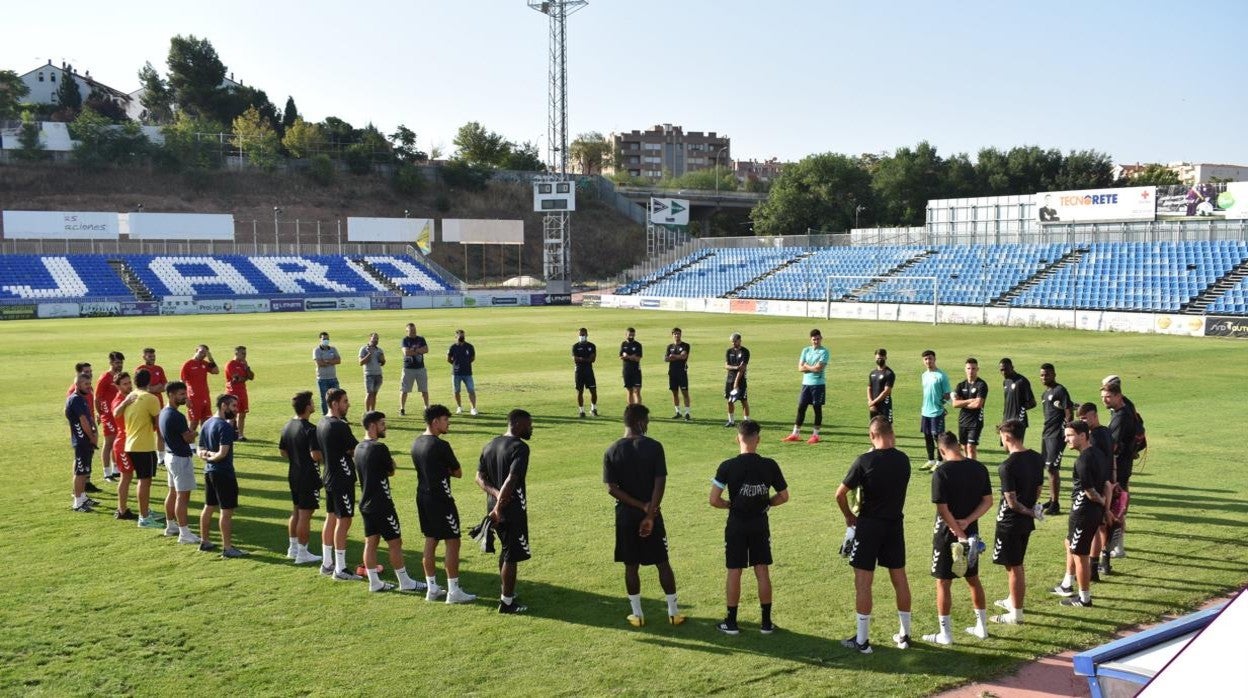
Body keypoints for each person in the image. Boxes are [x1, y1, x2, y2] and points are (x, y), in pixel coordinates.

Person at [603, 404, 687, 628]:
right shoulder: (654, 447)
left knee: (631, 566)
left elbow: (611, 488)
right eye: (647, 422)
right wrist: (649, 513)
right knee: (662, 562)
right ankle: (673, 612)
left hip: (625, 516)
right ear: (640, 422)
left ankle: (637, 615)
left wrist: (639, 506)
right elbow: (660, 482)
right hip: (653, 514)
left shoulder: (612, 450)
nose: (647, 425)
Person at [836, 417, 913, 654]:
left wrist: (849, 516)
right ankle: (905, 634)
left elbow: (839, 494)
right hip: (894, 525)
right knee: (899, 579)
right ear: (892, 433)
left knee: (863, 583)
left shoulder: (864, 461)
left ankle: (862, 641)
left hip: (869, 526)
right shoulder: (904, 460)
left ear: (871, 435)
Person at [709, 420, 789, 635]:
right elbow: (784, 496)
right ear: (758, 439)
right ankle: (766, 623)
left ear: (738, 438)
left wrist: (730, 504)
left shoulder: (727, 466)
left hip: (736, 524)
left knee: (734, 571)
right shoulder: (769, 465)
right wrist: (767, 503)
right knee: (762, 570)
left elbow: (714, 499)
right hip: (760, 523)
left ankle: (732, 622)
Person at [922, 432, 993, 645]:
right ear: (959, 446)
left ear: (942, 450)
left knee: (943, 582)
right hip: (971, 532)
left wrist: (958, 533)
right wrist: (967, 522)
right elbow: (988, 501)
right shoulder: (978, 468)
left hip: (946, 534)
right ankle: (982, 627)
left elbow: (943, 510)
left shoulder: (941, 472)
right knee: (973, 579)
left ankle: (946, 634)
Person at [355, 411, 424, 593]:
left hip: (365, 503)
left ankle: (374, 582)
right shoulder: (379, 448)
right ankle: (405, 582)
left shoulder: (358, 448)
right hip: (382, 503)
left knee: (371, 542)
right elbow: (391, 470)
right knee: (395, 542)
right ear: (372, 426)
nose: (385, 427)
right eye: (382, 424)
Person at [411, 404, 474, 602]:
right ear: (435, 421)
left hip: (423, 497)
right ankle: (454, 592)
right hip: (441, 499)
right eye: (446, 420)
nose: (448, 423)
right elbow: (458, 472)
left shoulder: (416, 443)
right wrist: (444, 470)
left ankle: (432, 589)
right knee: (453, 541)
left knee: (431, 539)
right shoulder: (440, 445)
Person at [476, 409, 534, 614]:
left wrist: (495, 496)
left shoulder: (490, 444)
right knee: (512, 554)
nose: (531, 428)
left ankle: (505, 592)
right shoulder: (520, 448)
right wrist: (501, 505)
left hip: (493, 505)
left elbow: (479, 478)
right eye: (529, 424)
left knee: (506, 549)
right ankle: (507, 603)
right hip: (510, 509)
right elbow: (511, 479)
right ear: (517, 424)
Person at [990, 419, 1044, 625]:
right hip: (1024, 522)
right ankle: (1013, 600)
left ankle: (1016, 614)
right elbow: (1038, 489)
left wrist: (1028, 511)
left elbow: (1011, 502)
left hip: (1010, 522)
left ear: (1007, 437)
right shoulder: (1037, 458)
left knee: (1014, 566)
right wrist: (1032, 509)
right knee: (1017, 563)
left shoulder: (1007, 466)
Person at [1052, 420, 1111, 608]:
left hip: (1083, 512)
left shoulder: (1082, 460)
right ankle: (1067, 583)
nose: (1066, 439)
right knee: (1069, 543)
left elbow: (1090, 491)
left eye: (1069, 435)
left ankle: (1084, 598)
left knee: (1080, 554)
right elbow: (1108, 485)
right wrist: (1106, 509)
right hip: (1092, 511)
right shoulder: (1099, 455)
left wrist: (1102, 503)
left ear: (1083, 436)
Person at [317, 388, 361, 580]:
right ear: (335, 404)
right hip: (342, 478)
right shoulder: (339, 426)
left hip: (329, 476)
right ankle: (341, 569)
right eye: (345, 401)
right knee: (344, 520)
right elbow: (356, 449)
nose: (348, 404)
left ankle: (327, 563)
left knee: (331, 518)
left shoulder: (321, 423)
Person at [197, 394, 248, 558]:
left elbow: (199, 450)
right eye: (233, 406)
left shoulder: (206, 423)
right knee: (226, 512)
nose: (236, 409)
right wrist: (212, 456)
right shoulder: (223, 426)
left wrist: (206, 456)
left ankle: (204, 541)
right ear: (224, 406)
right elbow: (222, 453)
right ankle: (227, 548)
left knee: (208, 506)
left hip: (209, 472)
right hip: (223, 473)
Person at [115, 368, 165, 529]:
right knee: (144, 481)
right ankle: (143, 517)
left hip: (131, 444)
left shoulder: (130, 397)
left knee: (142, 481)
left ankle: (145, 512)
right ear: (149, 382)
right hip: (144, 445)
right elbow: (159, 424)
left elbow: (118, 414)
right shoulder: (151, 398)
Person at [278, 390, 324, 565]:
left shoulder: (288, 425)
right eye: (312, 402)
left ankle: (293, 548)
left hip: (294, 473)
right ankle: (303, 553)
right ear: (307, 407)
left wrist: (296, 456)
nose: (314, 405)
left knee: (296, 510)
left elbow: (283, 451)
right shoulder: (310, 429)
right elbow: (316, 455)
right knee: (306, 514)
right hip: (308, 476)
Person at [1077, 402, 1117, 577]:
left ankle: (1093, 568)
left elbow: (1096, 462)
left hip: (1099, 484)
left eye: (1085, 418)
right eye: (1081, 419)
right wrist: (1114, 478)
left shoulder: (1093, 437)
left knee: (1097, 527)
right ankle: (1105, 563)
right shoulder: (1107, 432)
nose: (1083, 421)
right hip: (1108, 482)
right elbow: (1113, 456)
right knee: (1105, 526)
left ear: (1094, 415)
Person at [159, 381, 201, 545]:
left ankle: (171, 526)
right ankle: (184, 533)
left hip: (170, 456)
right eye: (181, 394)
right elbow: (188, 437)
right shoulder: (177, 416)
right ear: (171, 395)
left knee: (173, 493)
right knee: (183, 497)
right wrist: (195, 432)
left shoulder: (164, 412)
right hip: (180, 459)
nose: (185, 397)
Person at [1100, 378, 1138, 558]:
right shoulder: (1125, 408)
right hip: (1124, 464)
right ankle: (1117, 546)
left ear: (1118, 396)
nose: (1104, 400)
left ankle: (1117, 547)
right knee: (1119, 505)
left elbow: (1113, 445)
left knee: (1116, 507)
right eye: (1102, 397)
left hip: (1119, 466)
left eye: (1107, 397)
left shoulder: (1121, 417)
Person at [1039, 363, 1074, 516]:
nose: (1044, 377)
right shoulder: (1045, 394)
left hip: (1057, 436)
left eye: (1047, 374)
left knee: (1053, 468)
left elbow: (1069, 412)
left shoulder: (1061, 390)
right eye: (1042, 375)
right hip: (1046, 434)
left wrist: (1066, 431)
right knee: (1048, 467)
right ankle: (1052, 498)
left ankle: (1056, 504)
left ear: (1054, 374)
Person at [783, 329, 829, 445]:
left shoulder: (824, 352)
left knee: (817, 409)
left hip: (818, 385)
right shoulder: (806, 350)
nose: (816, 341)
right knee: (801, 408)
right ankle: (795, 434)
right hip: (806, 384)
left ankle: (815, 435)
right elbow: (799, 368)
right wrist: (812, 368)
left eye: (818, 339)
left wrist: (807, 366)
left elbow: (819, 368)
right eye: (814, 339)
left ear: (821, 338)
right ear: (811, 339)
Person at [66, 372, 98, 512]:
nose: (89, 386)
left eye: (90, 384)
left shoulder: (81, 398)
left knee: (84, 470)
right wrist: (92, 437)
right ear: (77, 385)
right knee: (80, 472)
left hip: (85, 441)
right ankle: (77, 503)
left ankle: (83, 497)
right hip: (82, 441)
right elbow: (83, 421)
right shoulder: (75, 400)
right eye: (86, 384)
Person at [918, 350, 953, 472]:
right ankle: (931, 460)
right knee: (927, 436)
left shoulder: (941, 376)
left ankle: (940, 461)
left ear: (935, 359)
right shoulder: (924, 375)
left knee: (938, 438)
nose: (928, 361)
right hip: (925, 411)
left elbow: (947, 395)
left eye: (930, 358)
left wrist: (942, 406)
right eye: (926, 359)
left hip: (937, 412)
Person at [109, 372, 137, 520]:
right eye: (125, 384)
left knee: (133, 476)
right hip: (122, 444)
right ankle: (121, 510)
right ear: (118, 386)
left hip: (133, 442)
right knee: (126, 477)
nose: (128, 385)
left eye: (129, 382)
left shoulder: (132, 395)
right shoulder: (119, 399)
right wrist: (126, 401)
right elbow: (115, 413)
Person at [95, 351, 125, 482]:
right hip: (108, 415)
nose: (119, 365)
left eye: (121, 363)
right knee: (109, 443)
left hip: (118, 413)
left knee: (117, 441)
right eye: (117, 363)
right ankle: (106, 472)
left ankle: (115, 469)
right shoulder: (105, 377)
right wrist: (100, 414)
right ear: (111, 363)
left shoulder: (120, 377)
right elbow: (97, 398)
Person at [952, 358, 988, 460]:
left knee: (971, 447)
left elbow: (978, 404)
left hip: (976, 421)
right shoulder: (961, 385)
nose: (971, 371)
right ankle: (968, 467)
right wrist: (969, 401)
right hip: (963, 421)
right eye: (968, 368)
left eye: (973, 368)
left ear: (977, 369)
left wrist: (962, 403)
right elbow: (954, 404)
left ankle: (973, 470)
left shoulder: (981, 385)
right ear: (965, 369)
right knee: (964, 448)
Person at [181, 345, 219, 430]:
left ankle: (204, 442)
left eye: (205, 353)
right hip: (193, 398)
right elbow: (182, 383)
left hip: (205, 397)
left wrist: (211, 359)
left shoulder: (204, 363)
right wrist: (185, 398)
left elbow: (216, 371)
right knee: (194, 422)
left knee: (206, 422)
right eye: (201, 352)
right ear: (196, 350)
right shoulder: (188, 364)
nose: (203, 355)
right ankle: (189, 443)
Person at [999, 358, 1036, 443]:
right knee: (1007, 447)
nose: (1004, 372)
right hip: (1006, 420)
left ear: (1012, 367)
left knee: (1016, 448)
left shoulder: (1022, 381)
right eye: (1001, 370)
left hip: (1018, 422)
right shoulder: (1006, 382)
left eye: (1006, 369)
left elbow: (1032, 403)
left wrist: (1020, 410)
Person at [399, 323, 430, 415]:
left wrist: (414, 351)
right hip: (408, 369)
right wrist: (419, 351)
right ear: (407, 331)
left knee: (424, 390)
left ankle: (427, 408)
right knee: (404, 390)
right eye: (411, 330)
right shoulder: (405, 340)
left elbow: (426, 350)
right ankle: (402, 409)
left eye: (414, 330)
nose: (413, 332)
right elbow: (406, 353)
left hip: (420, 368)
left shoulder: (421, 339)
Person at [447, 329, 477, 415]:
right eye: (460, 336)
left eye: (463, 336)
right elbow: (448, 359)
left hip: (468, 372)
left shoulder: (470, 347)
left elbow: (472, 358)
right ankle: (459, 407)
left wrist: (466, 363)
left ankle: (473, 408)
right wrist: (456, 364)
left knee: (471, 390)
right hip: (456, 373)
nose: (462, 337)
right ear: (456, 337)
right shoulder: (452, 347)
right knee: (456, 391)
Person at [724, 333, 751, 428]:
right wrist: (735, 367)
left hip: (741, 380)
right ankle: (731, 421)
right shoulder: (729, 351)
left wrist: (736, 382)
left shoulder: (745, 352)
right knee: (729, 401)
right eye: (732, 341)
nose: (733, 343)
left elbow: (742, 368)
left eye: (735, 341)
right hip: (729, 380)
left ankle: (747, 422)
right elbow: (726, 366)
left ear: (740, 340)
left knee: (744, 401)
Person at [665, 328, 691, 420]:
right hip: (672, 373)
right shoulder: (669, 347)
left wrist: (674, 356)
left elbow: (684, 356)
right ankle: (678, 412)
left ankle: (687, 413)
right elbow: (666, 359)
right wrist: (678, 357)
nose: (677, 335)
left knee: (685, 393)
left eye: (678, 334)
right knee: (674, 393)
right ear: (672, 335)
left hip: (682, 373)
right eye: (675, 334)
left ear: (681, 335)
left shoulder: (685, 345)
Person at [313, 331, 342, 415]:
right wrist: (332, 361)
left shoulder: (333, 349)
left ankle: (338, 415)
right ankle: (326, 416)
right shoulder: (317, 350)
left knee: (337, 397)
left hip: (333, 378)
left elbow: (339, 360)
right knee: (325, 399)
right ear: (320, 340)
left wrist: (326, 361)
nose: (326, 340)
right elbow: (319, 363)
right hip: (322, 379)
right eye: (324, 339)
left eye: (327, 339)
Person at [572, 328, 598, 418]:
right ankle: (581, 411)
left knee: (593, 391)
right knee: (579, 391)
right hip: (579, 371)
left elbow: (593, 359)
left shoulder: (592, 346)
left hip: (589, 371)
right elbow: (575, 359)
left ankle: (593, 409)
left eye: (583, 335)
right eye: (580, 335)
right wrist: (586, 359)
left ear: (587, 335)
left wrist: (581, 359)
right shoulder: (575, 346)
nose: (582, 336)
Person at [358, 332, 386, 413]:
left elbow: (383, 363)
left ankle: (372, 411)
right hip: (369, 375)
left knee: (374, 394)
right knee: (369, 394)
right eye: (374, 338)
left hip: (378, 375)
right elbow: (361, 362)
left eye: (377, 339)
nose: (376, 340)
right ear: (370, 338)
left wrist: (382, 360)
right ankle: (367, 412)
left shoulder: (379, 350)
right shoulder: (364, 349)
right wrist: (369, 353)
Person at [867, 348, 895, 425]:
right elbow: (869, 387)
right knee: (874, 427)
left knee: (886, 427)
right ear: (875, 358)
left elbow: (886, 391)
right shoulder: (873, 373)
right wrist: (870, 401)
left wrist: (873, 402)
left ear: (886, 357)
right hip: (873, 406)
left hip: (885, 406)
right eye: (878, 358)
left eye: (881, 357)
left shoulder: (889, 373)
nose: (879, 359)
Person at [620, 327, 643, 405]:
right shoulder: (623, 344)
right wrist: (630, 357)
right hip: (626, 370)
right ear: (626, 334)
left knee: (637, 391)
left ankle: (638, 409)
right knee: (629, 390)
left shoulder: (638, 345)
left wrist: (628, 357)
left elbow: (638, 358)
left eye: (633, 335)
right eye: (630, 335)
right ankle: (631, 409)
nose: (631, 336)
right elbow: (621, 356)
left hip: (636, 370)